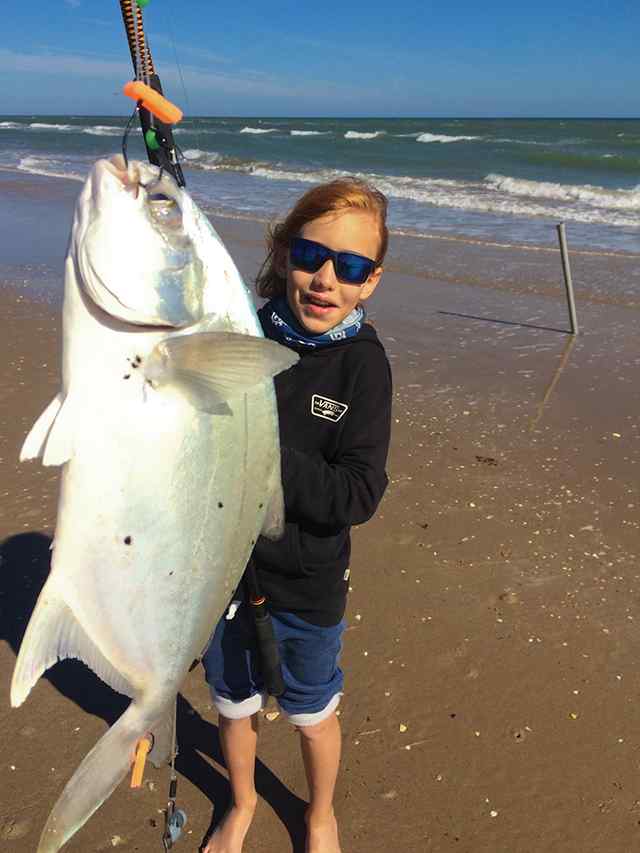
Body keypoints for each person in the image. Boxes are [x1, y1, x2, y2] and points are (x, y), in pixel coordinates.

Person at [202, 177, 393, 853]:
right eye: (311, 255)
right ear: (283, 254)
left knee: (313, 713)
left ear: (370, 281)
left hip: (308, 585)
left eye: (349, 267)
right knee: (233, 702)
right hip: (224, 567)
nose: (324, 280)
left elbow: (360, 491)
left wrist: (266, 454)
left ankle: (318, 813)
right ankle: (244, 799)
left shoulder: (363, 367)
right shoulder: (241, 330)